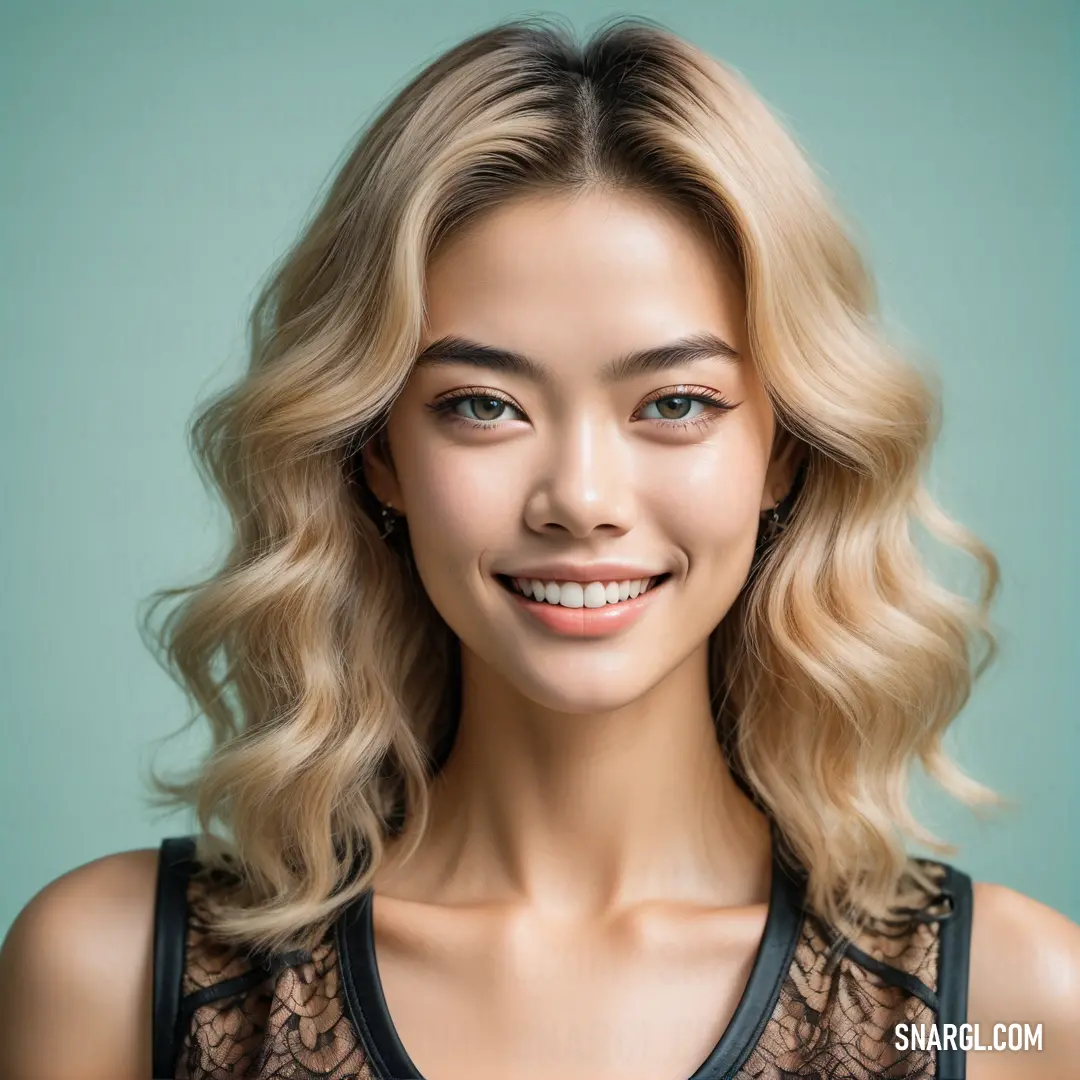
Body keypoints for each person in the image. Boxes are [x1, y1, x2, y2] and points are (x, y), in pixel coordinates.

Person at [1, 17, 1077, 1080]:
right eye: (482, 405)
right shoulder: (109, 977)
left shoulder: (1002, 1010)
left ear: (783, 452)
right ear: (378, 454)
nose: (582, 499)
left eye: (676, 401)